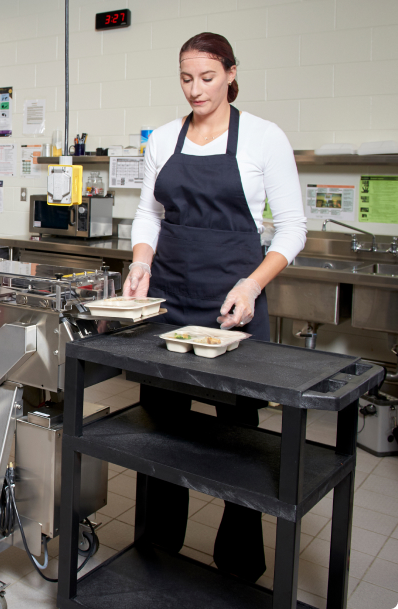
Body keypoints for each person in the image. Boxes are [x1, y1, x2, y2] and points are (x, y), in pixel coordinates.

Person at [125, 32, 306, 582]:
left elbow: (293, 229)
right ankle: (156, 549)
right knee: (161, 427)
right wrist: (140, 263)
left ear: (230, 73)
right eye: (185, 78)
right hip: (171, 299)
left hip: (235, 303)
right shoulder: (163, 138)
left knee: (240, 437)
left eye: (207, 77)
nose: (195, 89)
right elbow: (148, 214)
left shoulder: (262, 137)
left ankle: (239, 565)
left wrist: (251, 286)